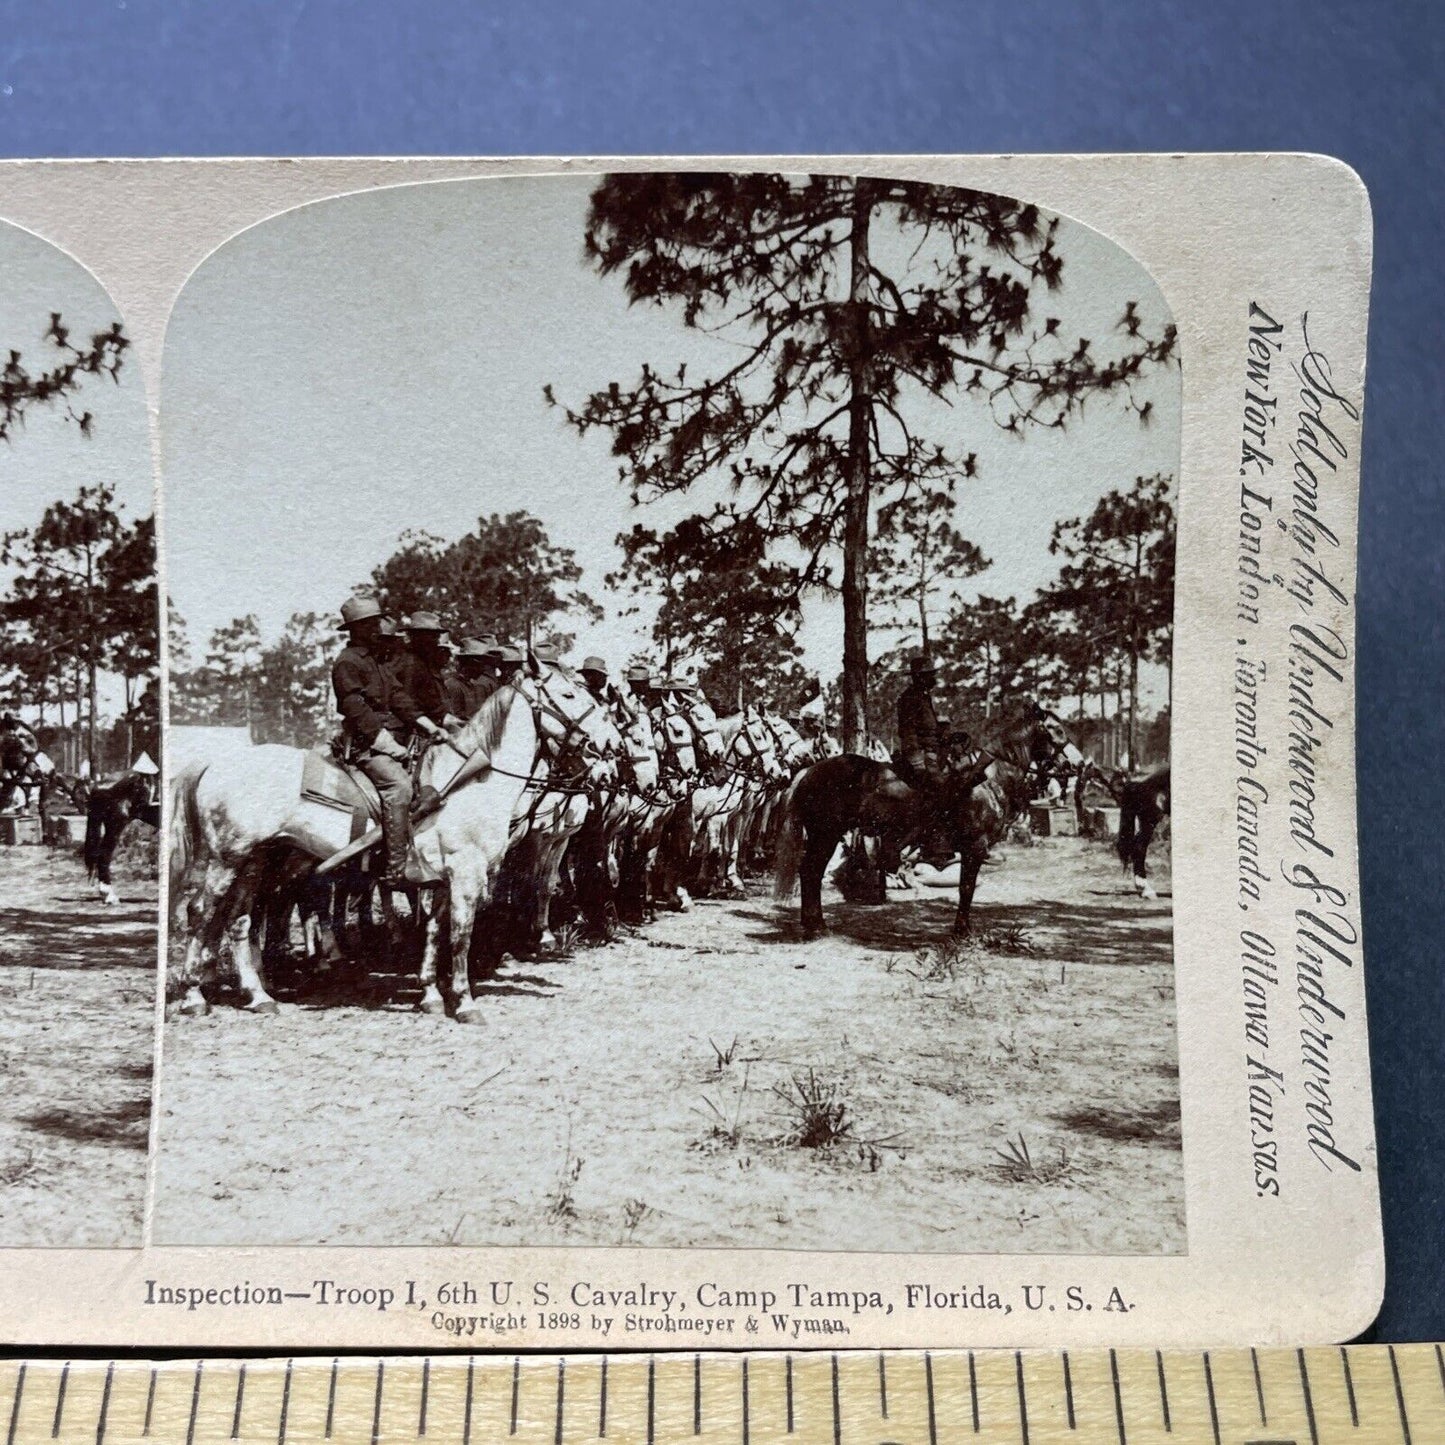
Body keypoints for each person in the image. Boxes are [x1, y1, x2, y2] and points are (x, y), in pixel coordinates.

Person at [331, 596, 443, 886]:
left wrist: (428, 726)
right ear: (354, 629)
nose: (375, 628)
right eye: (368, 624)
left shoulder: (375, 662)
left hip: (385, 740)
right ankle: (397, 869)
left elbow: (398, 698)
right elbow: (355, 708)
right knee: (400, 786)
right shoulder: (347, 662)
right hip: (364, 744)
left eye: (375, 622)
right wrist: (386, 743)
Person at [393, 611, 463, 731]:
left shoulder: (422, 662)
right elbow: (407, 704)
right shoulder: (409, 663)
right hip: (405, 729)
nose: (436, 642)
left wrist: (446, 717)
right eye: (432, 637)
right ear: (418, 637)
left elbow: (430, 701)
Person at [894, 653, 943, 789]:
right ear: (918, 677)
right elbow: (908, 730)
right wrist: (916, 760)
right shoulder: (910, 698)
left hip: (931, 750)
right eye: (928, 675)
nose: (932, 678)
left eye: (931, 674)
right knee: (935, 786)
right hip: (919, 753)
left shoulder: (923, 696)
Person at [453, 637, 501, 719]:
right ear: (470, 663)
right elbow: (454, 717)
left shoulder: (470, 685)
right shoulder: (454, 685)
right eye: (480, 665)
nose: (482, 670)